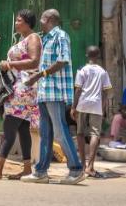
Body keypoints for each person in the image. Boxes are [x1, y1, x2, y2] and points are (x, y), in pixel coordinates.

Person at [21, 9, 84, 184]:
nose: (40, 22)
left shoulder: (61, 36)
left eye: (42, 19)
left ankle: (76, 169)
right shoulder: (46, 39)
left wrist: (39, 75)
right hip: (44, 92)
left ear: (48, 19)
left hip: (55, 92)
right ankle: (41, 171)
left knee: (60, 131)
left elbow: (63, 60)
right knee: (45, 132)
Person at [0, 10, 42, 180]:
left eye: (19, 20)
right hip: (22, 87)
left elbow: (35, 61)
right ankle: (27, 168)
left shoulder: (33, 38)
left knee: (9, 127)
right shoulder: (24, 39)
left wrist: (10, 64)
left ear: (27, 23)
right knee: (22, 129)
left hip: (24, 89)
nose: (16, 23)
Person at [73, 45, 111, 179]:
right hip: (96, 105)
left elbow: (78, 90)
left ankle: (83, 166)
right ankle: (90, 166)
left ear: (86, 55)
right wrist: (103, 106)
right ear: (99, 55)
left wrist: (73, 107)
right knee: (95, 134)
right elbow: (106, 91)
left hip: (83, 104)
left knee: (80, 133)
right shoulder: (103, 72)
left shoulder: (82, 70)